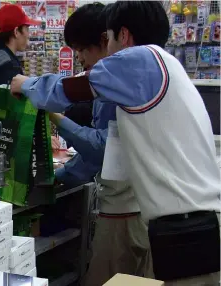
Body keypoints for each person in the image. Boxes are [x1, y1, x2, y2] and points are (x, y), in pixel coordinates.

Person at [11, 1, 220, 285]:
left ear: (123, 35)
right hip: (186, 225)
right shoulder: (165, 64)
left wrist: (24, 84)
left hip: (185, 231)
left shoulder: (139, 60)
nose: (105, 49)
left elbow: (66, 91)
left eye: (107, 39)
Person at [53, 4, 151, 285]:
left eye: (82, 49)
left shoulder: (118, 84)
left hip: (126, 210)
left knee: (109, 278)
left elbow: (102, 149)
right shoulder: (134, 77)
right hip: (130, 208)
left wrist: (56, 118)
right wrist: (62, 175)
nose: (80, 58)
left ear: (107, 39)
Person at [0, 4, 40, 86]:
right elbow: (11, 98)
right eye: (27, 29)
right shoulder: (10, 65)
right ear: (16, 32)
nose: (28, 35)